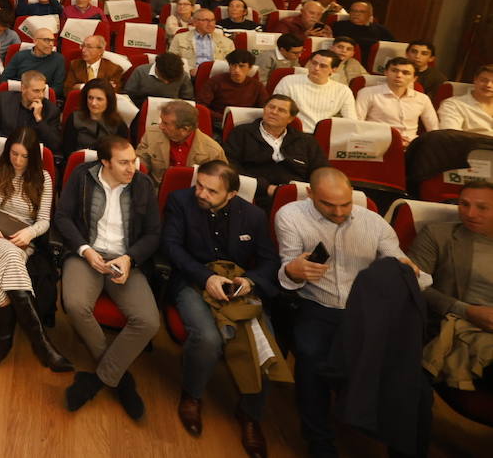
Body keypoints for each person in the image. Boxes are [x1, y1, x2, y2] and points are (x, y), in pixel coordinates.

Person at [275, 168, 431, 457]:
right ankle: (319, 441)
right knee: (311, 359)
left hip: (366, 313)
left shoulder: (375, 223)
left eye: (345, 204)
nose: (339, 212)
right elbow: (287, 268)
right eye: (328, 205)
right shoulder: (290, 215)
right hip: (317, 305)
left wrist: (408, 272)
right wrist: (294, 271)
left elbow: (399, 263)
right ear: (310, 195)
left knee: (414, 384)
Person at [161, 161, 281, 455]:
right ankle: (192, 395)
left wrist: (250, 281)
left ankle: (250, 414)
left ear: (231, 194)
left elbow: (269, 261)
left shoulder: (253, 215)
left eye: (211, 190)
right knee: (207, 337)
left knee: (262, 342)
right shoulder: (181, 201)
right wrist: (206, 277)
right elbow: (171, 247)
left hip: (236, 284)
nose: (201, 193)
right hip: (193, 279)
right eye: (199, 185)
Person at [57, 136, 162, 418]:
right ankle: (119, 377)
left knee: (149, 321)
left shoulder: (143, 185)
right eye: (124, 163)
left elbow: (154, 233)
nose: (132, 168)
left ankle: (100, 378)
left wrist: (130, 258)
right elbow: (63, 217)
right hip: (87, 254)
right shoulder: (82, 176)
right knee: (76, 305)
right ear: (105, 162)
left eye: (134, 161)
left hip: (125, 260)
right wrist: (85, 250)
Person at [0, 127, 72, 372]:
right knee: (9, 256)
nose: (17, 161)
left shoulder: (44, 178)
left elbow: (44, 222)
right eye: (14, 154)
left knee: (10, 260)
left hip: (21, 240)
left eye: (24, 156)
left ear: (33, 158)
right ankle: (42, 344)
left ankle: (2, 343)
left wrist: (30, 233)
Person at [409, 180, 493, 391]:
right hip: (457, 323)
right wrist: (465, 310)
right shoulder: (438, 235)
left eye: (482, 207)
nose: (470, 214)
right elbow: (413, 284)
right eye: (464, 204)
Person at [137, 99, 224, 186]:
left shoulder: (213, 151)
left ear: (185, 129)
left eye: (165, 123)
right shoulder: (151, 135)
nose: (160, 126)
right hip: (156, 191)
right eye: (161, 121)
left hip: (194, 195)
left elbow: (221, 182)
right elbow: (140, 165)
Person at [356, 56, 438, 145]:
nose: (399, 75)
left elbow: (434, 129)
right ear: (386, 72)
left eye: (405, 73)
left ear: (414, 78)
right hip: (378, 142)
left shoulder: (423, 98)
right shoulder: (367, 93)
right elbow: (356, 124)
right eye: (394, 71)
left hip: (412, 145)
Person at [276, 50, 356, 130]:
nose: (316, 68)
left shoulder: (343, 91)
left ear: (334, 69)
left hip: (324, 135)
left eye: (323, 66)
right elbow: (276, 111)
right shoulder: (288, 81)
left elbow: (351, 121)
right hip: (292, 132)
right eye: (314, 63)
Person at [61, 79, 129, 160]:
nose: (93, 103)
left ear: (109, 101)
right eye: (90, 98)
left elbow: (121, 154)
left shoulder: (119, 124)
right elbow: (67, 152)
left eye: (99, 99)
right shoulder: (74, 118)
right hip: (79, 164)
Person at [0, 70, 61, 150]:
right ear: (23, 88)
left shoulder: (51, 110)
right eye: (36, 91)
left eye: (43, 90)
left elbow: (55, 144)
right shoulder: (3, 100)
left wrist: (39, 119)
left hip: (34, 155)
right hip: (5, 149)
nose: (41, 95)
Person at [199, 49, 268, 127]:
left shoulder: (257, 86)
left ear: (250, 67)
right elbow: (201, 106)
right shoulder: (215, 81)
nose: (236, 70)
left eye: (241, 66)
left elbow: (265, 108)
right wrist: (224, 118)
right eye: (233, 65)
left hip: (247, 123)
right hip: (218, 122)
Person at [121, 51, 194, 107]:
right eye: (164, 78)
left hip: (173, 110)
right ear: (157, 69)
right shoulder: (141, 71)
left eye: (171, 81)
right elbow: (128, 96)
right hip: (142, 107)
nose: (166, 82)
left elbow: (188, 100)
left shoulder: (183, 75)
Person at [1, 27, 66, 89]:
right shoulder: (20, 56)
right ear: (35, 41)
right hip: (19, 92)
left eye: (52, 40)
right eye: (46, 40)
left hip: (42, 95)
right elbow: (4, 79)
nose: (51, 44)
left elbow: (58, 87)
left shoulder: (58, 59)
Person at [438, 64, 493, 134]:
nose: (488, 85)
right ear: (475, 80)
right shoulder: (453, 105)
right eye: (484, 80)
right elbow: (451, 137)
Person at [169, 9, 235, 67]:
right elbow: (171, 61)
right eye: (206, 20)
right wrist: (189, 70)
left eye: (213, 20)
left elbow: (231, 65)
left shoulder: (227, 42)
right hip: (187, 75)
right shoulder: (179, 38)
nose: (211, 24)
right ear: (195, 22)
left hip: (216, 75)